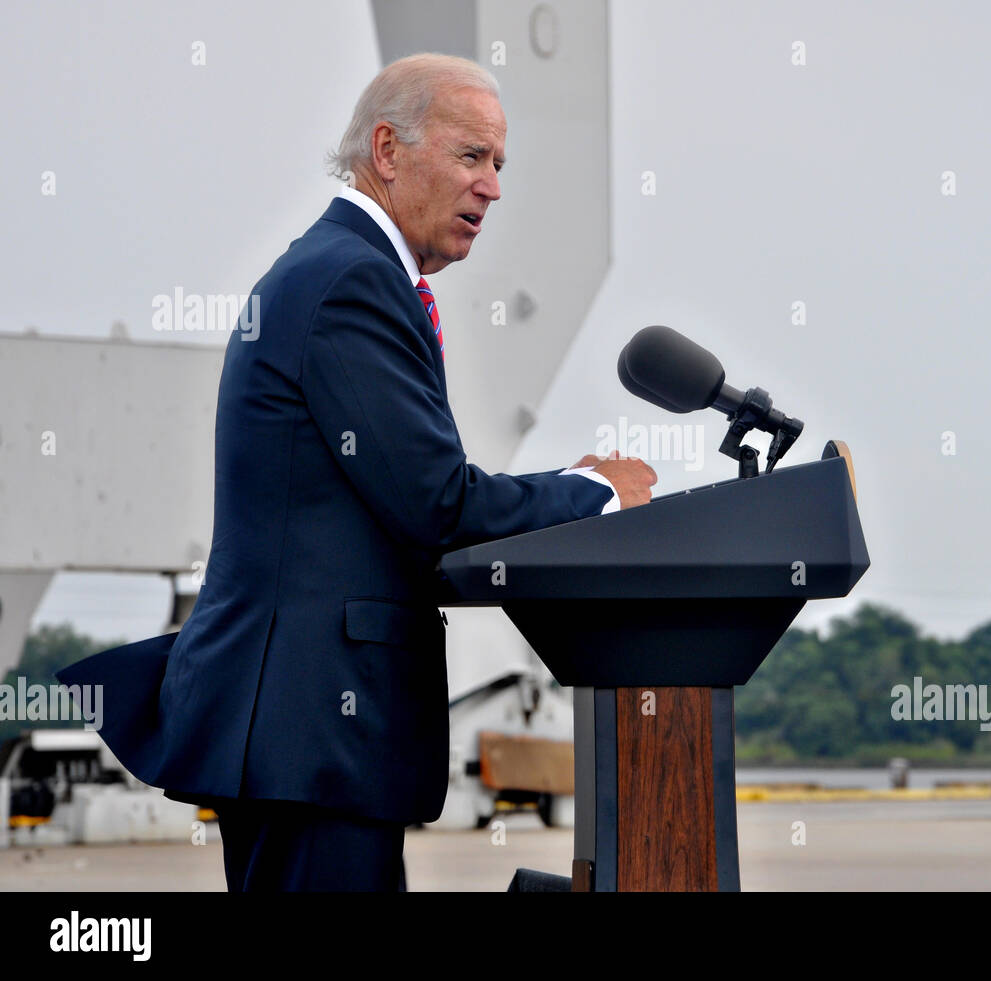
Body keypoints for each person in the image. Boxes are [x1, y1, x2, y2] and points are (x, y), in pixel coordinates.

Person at [58, 53, 656, 891]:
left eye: (499, 165)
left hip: (309, 743)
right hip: (312, 737)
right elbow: (439, 505)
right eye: (471, 156)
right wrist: (599, 493)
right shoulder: (350, 282)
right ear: (387, 148)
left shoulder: (341, 270)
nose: (491, 187)